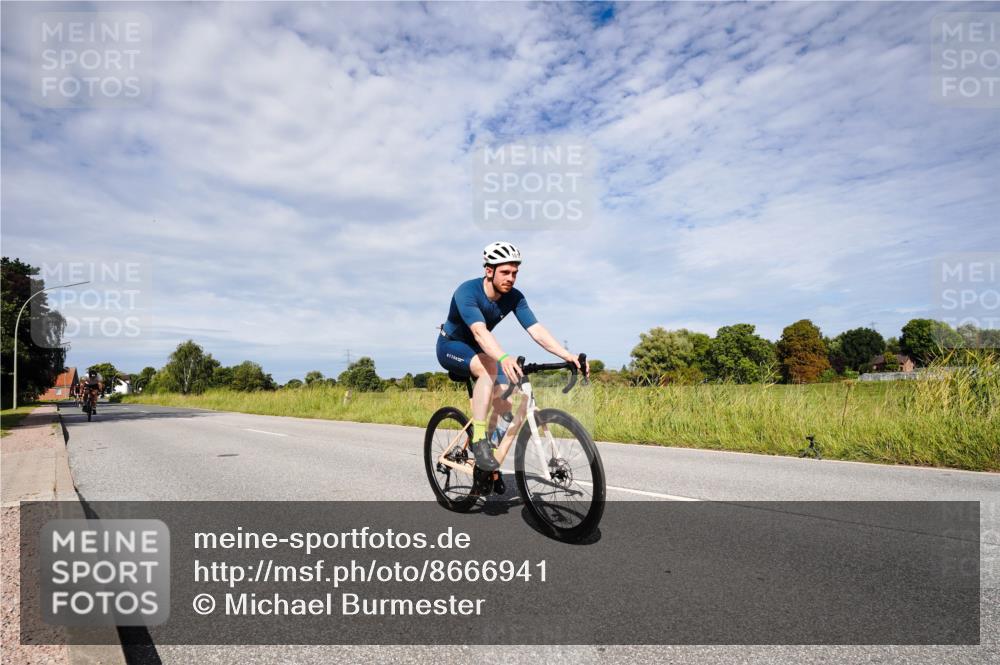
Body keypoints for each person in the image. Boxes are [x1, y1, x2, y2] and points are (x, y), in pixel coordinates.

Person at [436, 241, 587, 489]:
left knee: (508, 397)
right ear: (489, 271)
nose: (511, 278)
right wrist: (504, 358)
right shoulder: (467, 292)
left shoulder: (514, 297)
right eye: (505, 272)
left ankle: (487, 464)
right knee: (490, 368)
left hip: (479, 349)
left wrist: (566, 355)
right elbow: (479, 331)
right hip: (451, 347)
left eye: (515, 272)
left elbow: (536, 330)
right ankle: (480, 440)